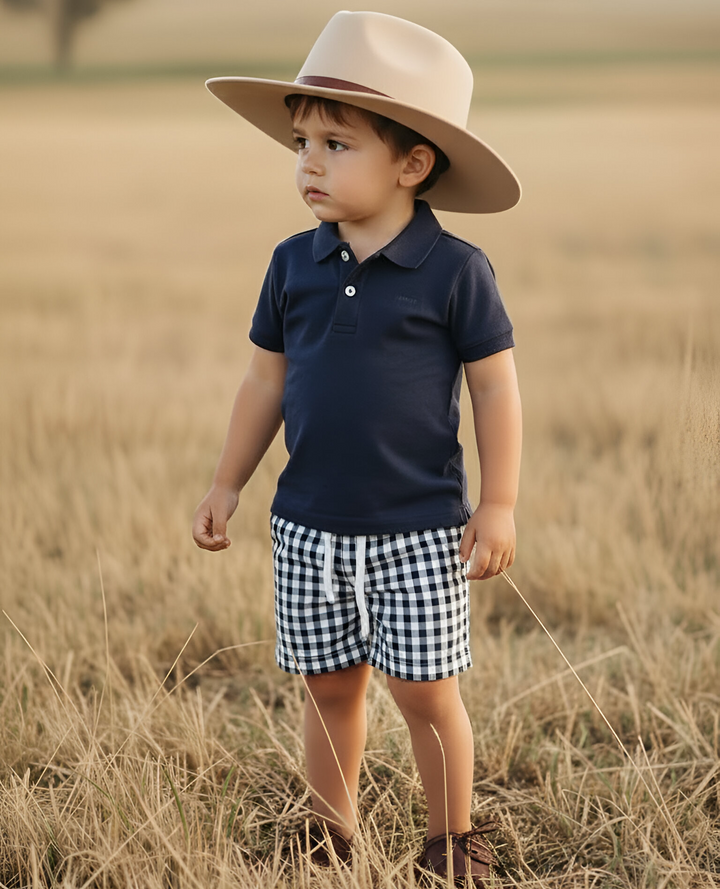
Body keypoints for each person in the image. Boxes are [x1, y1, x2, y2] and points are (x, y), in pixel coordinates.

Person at [193, 11, 522, 887]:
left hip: (416, 530)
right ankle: (326, 828)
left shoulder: (456, 272)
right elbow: (265, 382)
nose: (307, 161)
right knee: (329, 685)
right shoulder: (292, 264)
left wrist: (498, 503)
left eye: (336, 143)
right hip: (308, 526)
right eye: (301, 141)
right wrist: (229, 482)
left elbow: (495, 389)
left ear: (413, 164)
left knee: (424, 693)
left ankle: (451, 840)